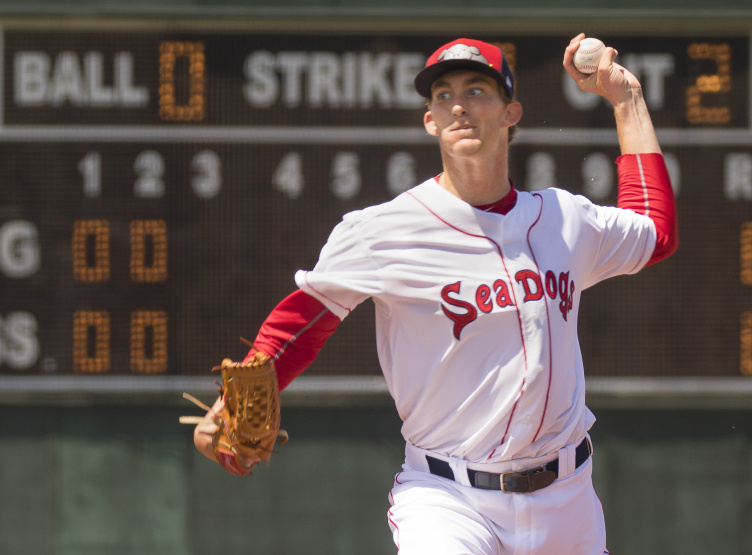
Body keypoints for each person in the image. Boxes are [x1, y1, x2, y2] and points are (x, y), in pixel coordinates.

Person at [192, 34, 677, 554]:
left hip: (568, 500)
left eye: (477, 90)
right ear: (429, 121)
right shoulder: (382, 231)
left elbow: (656, 230)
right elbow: (302, 324)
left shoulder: (564, 219)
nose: (459, 105)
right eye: (442, 95)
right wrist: (228, 404)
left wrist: (626, 100)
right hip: (449, 498)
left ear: (511, 112)